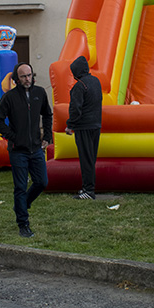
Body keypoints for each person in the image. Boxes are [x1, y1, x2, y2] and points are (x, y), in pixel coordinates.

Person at [0, 63, 53, 238]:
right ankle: (23, 224)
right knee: (20, 186)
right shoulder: (10, 97)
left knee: (42, 182)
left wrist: (47, 136)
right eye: (24, 77)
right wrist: (13, 137)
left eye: (30, 75)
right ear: (16, 80)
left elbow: (47, 115)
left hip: (36, 148)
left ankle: (22, 204)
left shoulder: (40, 93)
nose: (28, 79)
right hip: (18, 150)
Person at [65, 56, 103, 200]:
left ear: (76, 72)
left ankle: (88, 190)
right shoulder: (96, 81)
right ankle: (89, 188)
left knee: (85, 159)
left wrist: (70, 125)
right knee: (91, 158)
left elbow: (76, 109)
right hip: (96, 125)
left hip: (84, 127)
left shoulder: (79, 86)